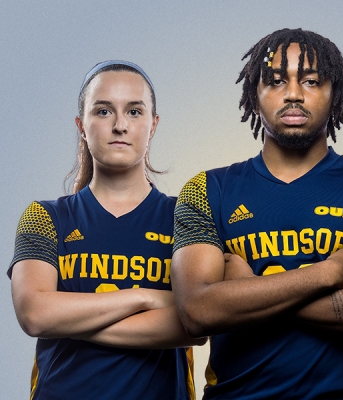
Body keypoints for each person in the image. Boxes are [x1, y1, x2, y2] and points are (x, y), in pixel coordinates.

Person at [171, 28, 343, 399]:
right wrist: (328, 273)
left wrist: (243, 291)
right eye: (275, 80)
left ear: (335, 96)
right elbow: (197, 313)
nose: (293, 94)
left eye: (312, 81)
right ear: (254, 95)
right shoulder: (206, 190)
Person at [8, 60, 204, 400]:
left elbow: (197, 324)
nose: (119, 126)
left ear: (153, 124)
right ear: (81, 125)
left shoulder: (186, 217)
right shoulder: (44, 217)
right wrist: (144, 297)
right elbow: (35, 315)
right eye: (102, 111)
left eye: (134, 112)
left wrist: (70, 321)